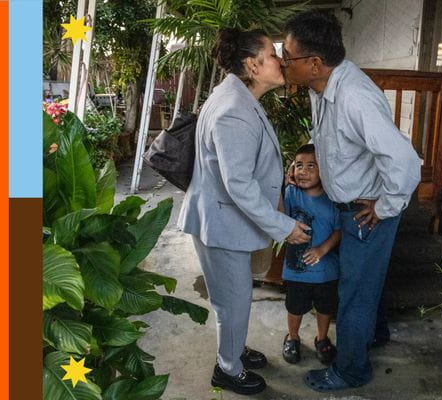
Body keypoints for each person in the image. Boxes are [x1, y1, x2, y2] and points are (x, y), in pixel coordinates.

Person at [281, 11, 422, 392]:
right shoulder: (321, 88)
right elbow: (335, 146)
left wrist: (386, 206)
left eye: (287, 55)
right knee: (363, 282)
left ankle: (351, 370)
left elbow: (404, 162)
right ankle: (374, 335)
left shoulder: (355, 96)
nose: (282, 62)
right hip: (351, 204)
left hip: (367, 210)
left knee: (354, 292)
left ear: (314, 63)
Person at [177, 28, 310, 396]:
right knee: (231, 300)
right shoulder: (234, 110)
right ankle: (227, 369)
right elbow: (239, 185)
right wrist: (284, 226)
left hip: (223, 219)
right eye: (273, 54)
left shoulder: (238, 98)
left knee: (234, 297)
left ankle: (233, 348)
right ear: (253, 65)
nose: (282, 60)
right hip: (221, 222)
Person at [281, 144, 341, 365]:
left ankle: (322, 339)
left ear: (323, 170)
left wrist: (322, 250)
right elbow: (279, 218)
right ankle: (293, 337)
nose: (303, 171)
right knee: (295, 307)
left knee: (325, 307)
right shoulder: (291, 193)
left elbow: (338, 230)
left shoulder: (333, 198)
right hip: (297, 270)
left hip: (326, 270)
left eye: (311, 166)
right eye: (299, 166)